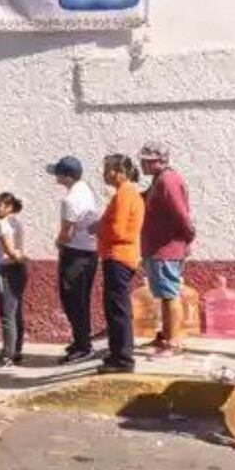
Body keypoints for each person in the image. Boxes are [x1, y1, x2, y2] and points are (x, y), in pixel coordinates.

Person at [139, 141, 195, 358]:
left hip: (167, 248)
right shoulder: (158, 180)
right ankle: (166, 336)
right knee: (164, 294)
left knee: (170, 294)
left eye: (147, 161)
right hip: (158, 247)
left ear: (161, 161)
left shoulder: (168, 180)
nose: (143, 165)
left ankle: (175, 342)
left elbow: (181, 215)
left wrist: (187, 238)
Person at [47, 156, 102, 364]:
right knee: (82, 299)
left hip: (75, 253)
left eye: (58, 173)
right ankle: (81, 340)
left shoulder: (69, 200)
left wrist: (58, 243)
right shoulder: (85, 189)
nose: (56, 177)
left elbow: (66, 232)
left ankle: (83, 346)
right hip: (90, 252)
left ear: (66, 176)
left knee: (72, 300)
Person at [94, 155, 145, 374]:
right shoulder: (125, 193)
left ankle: (123, 358)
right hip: (118, 256)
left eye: (108, 170)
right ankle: (117, 354)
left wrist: (99, 229)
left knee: (118, 310)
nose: (105, 174)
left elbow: (118, 230)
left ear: (120, 172)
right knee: (116, 309)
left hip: (119, 257)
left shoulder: (125, 194)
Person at [0, 193, 27, 367]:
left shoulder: (3, 224)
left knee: (7, 314)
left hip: (7, 269)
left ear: (9, 207)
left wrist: (17, 258)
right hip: (18, 269)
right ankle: (17, 351)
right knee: (16, 311)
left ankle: (8, 355)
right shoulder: (17, 222)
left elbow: (9, 250)